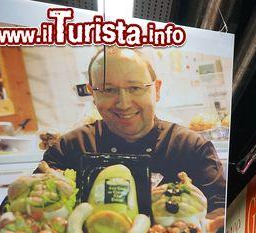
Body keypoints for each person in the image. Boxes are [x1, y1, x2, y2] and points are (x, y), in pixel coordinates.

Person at [40, 47, 226, 213]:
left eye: (135, 88)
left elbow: (221, 210)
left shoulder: (191, 147)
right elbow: (24, 204)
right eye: (108, 90)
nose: (123, 103)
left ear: (157, 90)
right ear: (93, 94)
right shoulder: (69, 147)